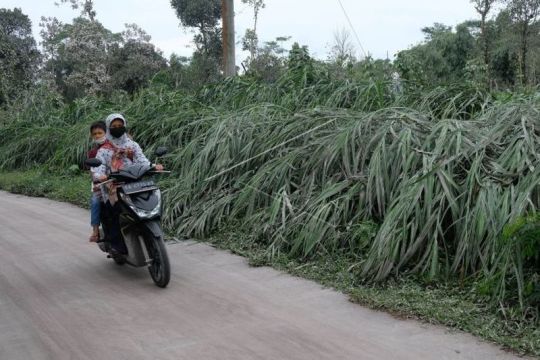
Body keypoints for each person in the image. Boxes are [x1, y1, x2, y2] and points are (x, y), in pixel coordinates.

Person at [91, 113, 162, 253]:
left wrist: (153, 166)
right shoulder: (103, 150)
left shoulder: (132, 145)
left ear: (124, 126)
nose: (117, 128)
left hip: (135, 183)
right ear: (109, 128)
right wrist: (101, 176)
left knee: (152, 200)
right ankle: (116, 245)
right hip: (114, 185)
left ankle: (154, 229)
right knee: (111, 212)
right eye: (114, 126)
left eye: (120, 125)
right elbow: (97, 169)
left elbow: (142, 160)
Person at [87, 121, 111, 242]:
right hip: (101, 184)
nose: (97, 136)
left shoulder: (114, 146)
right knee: (95, 201)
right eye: (94, 134)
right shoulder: (93, 152)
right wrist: (97, 180)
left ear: (106, 132)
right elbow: (92, 172)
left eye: (100, 133)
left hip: (118, 180)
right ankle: (95, 231)